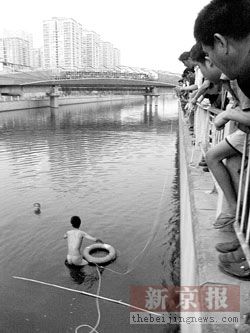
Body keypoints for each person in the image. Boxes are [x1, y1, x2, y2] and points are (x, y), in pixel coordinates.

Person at [194, 0, 250, 99]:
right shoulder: (244, 75)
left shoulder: (246, 77)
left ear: (220, 43)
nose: (211, 60)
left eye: (208, 53)